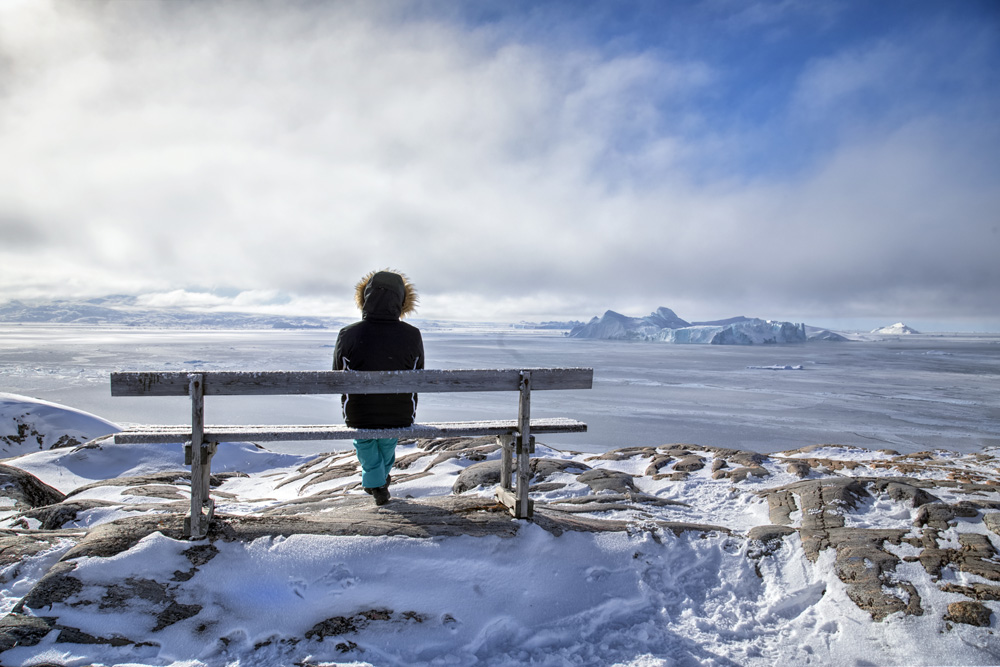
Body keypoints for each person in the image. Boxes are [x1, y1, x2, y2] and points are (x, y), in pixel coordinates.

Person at [333, 270, 423, 506]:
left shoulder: (348, 334)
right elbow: (419, 375)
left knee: (365, 440)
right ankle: (379, 481)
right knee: (387, 440)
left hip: (359, 411)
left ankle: (376, 483)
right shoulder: (412, 335)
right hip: (399, 410)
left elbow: (335, 376)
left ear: (366, 298)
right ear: (402, 301)